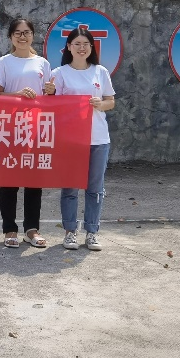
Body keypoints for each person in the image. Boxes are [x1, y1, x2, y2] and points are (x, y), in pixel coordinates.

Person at [54, 29, 116, 252]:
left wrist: (101, 104)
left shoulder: (100, 71)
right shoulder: (59, 73)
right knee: (70, 186)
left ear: (91, 47)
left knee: (95, 187)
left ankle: (92, 231)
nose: (82, 48)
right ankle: (70, 231)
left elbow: (111, 101)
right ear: (68, 47)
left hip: (98, 137)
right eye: (77, 43)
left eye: (86, 44)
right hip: (71, 139)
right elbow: (53, 105)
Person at [0, 18, 52, 249]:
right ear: (10, 37)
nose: (22, 37)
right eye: (17, 33)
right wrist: (17, 95)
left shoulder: (42, 64)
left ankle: (31, 229)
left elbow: (49, 98)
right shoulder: (3, 63)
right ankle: (9, 228)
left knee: (33, 180)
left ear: (33, 35)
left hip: (36, 127)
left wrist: (51, 92)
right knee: (9, 180)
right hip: (9, 128)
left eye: (27, 32)